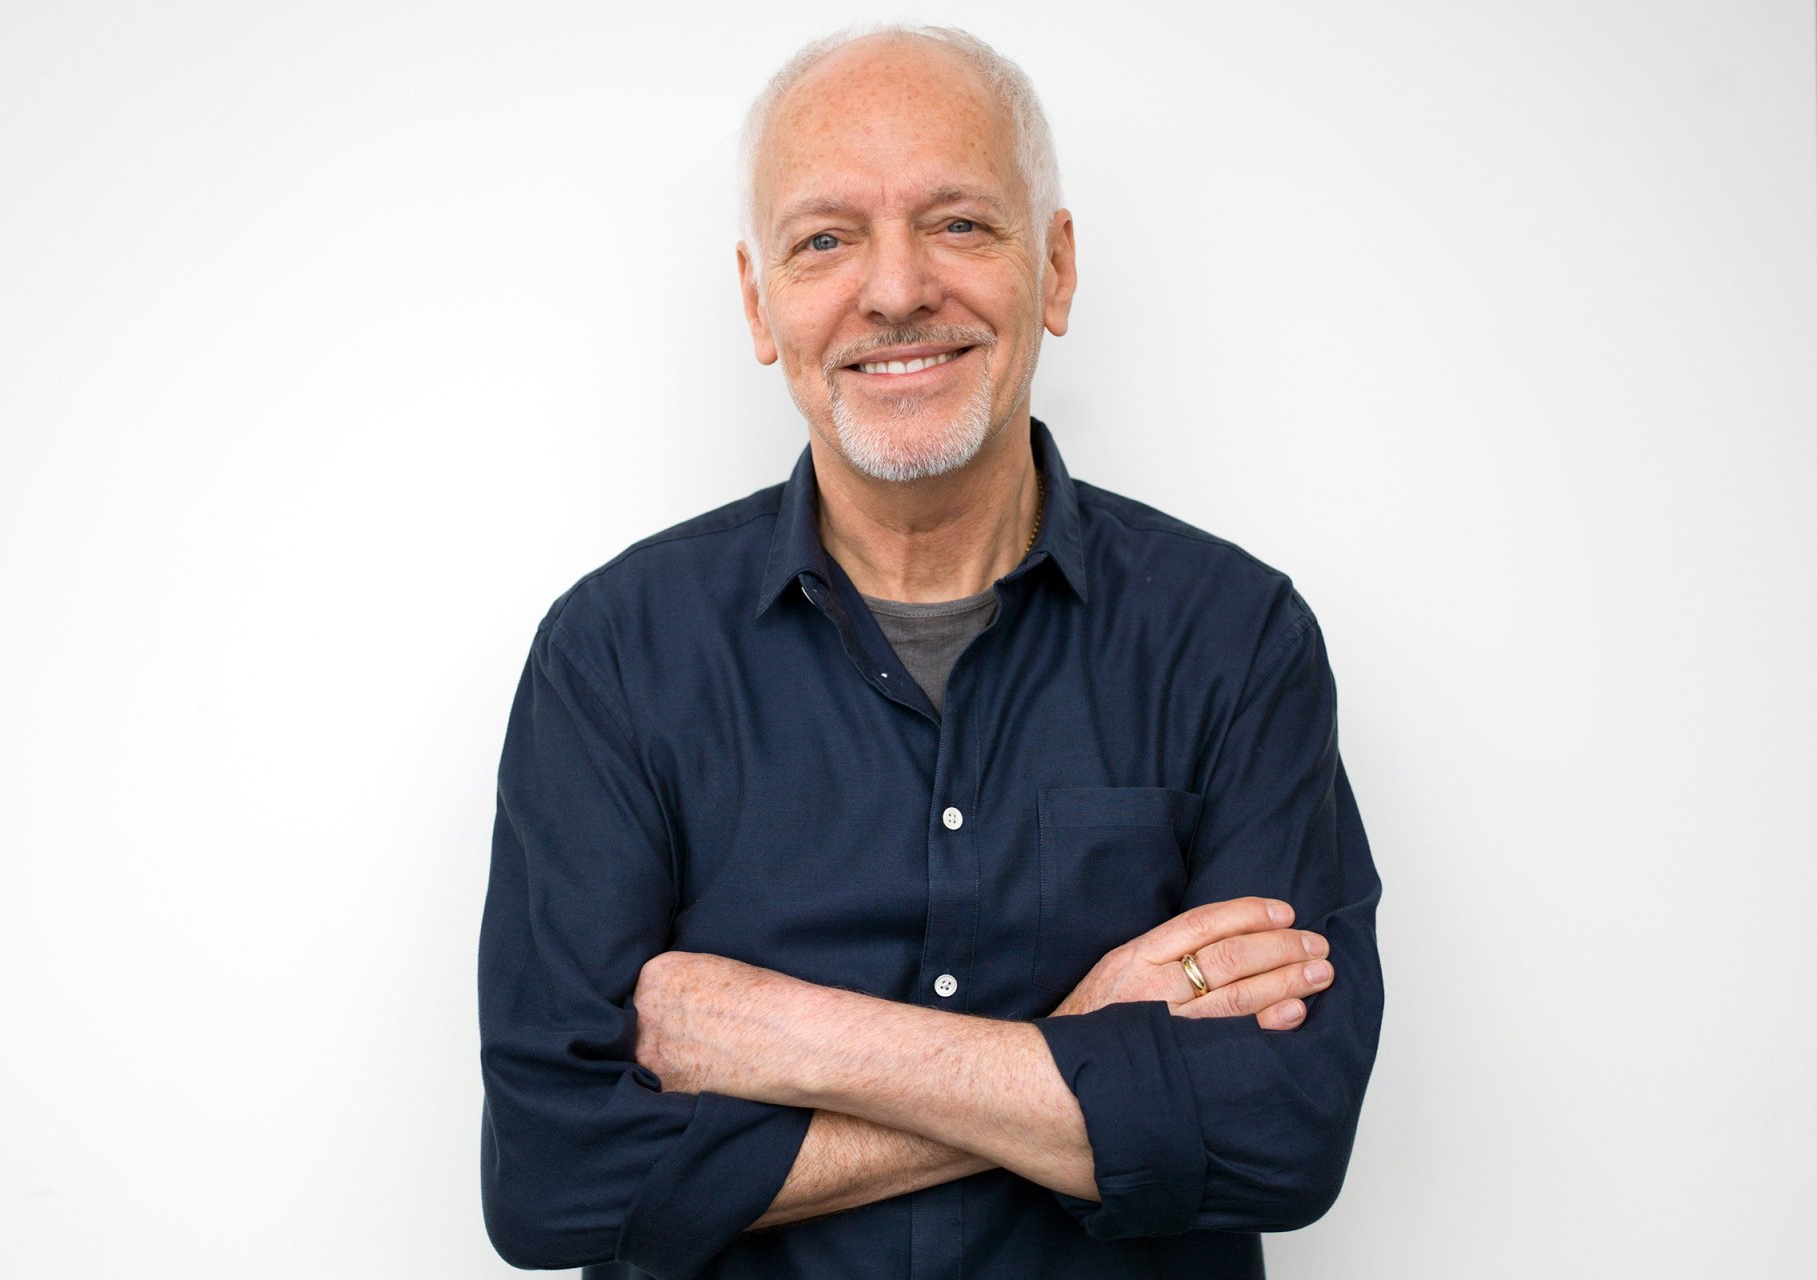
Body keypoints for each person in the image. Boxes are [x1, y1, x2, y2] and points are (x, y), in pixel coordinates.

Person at [478, 23, 1383, 1280]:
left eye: (959, 223)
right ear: (758, 301)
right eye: (825, 239)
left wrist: (789, 1035)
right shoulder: (614, 657)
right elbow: (554, 1177)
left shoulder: (1235, 638)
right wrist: (1080, 1045)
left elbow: (1281, 1135)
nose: (896, 289)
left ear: (1055, 269)